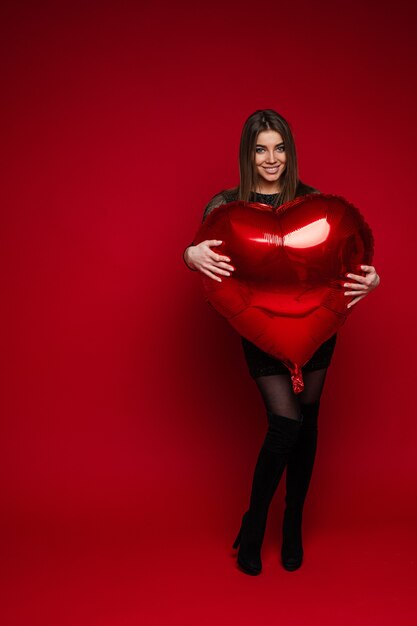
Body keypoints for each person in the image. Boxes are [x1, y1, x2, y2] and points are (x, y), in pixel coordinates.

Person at [183, 109, 380, 575]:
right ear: (247, 155)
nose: (271, 158)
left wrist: (372, 278)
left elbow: (347, 259)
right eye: (260, 149)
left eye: (279, 147)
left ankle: (292, 523)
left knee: (308, 422)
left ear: (289, 151)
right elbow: (203, 252)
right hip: (260, 325)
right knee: (285, 425)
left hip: (315, 324)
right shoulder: (225, 205)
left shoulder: (316, 202)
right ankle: (254, 525)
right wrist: (188, 254)